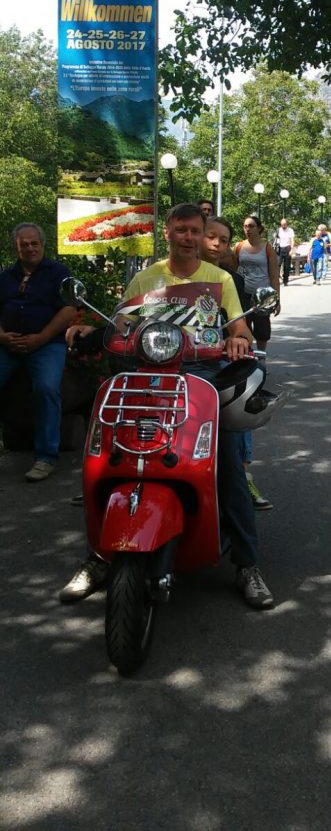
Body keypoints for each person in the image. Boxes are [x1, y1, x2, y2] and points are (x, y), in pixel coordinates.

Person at [60, 204, 274, 609]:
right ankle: (98, 557)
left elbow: (239, 326)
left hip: (201, 375)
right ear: (168, 233)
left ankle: (248, 565)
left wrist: (238, 339)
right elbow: (122, 322)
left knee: (226, 463)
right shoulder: (147, 278)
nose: (189, 237)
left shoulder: (219, 279)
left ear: (201, 234)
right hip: (146, 376)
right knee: (105, 457)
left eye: (195, 231)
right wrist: (96, 329)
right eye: (181, 230)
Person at [202, 215, 273, 510]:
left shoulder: (231, 280)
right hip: (172, 359)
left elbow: (240, 326)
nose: (216, 244)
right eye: (210, 236)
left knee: (238, 397)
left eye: (223, 240)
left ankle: (243, 475)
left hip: (215, 358)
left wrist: (237, 341)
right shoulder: (163, 275)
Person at [0, 223, 76, 481]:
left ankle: (46, 457)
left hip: (46, 344)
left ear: (42, 245)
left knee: (46, 387)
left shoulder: (58, 273)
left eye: (34, 243)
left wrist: (40, 338)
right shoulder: (5, 276)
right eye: (24, 244)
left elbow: (69, 309)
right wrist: (3, 337)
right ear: (16, 247)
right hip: (8, 344)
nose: (30, 248)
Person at [235, 216, 281, 352]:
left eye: (251, 226)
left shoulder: (267, 248)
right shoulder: (239, 246)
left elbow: (274, 276)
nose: (247, 229)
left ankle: (261, 356)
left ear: (259, 228)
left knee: (262, 330)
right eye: (245, 226)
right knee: (244, 327)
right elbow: (232, 269)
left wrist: (276, 300)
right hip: (244, 294)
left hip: (262, 296)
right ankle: (247, 356)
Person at [275, 217, 295, 286]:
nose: (283, 226)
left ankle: (285, 280)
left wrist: (292, 250)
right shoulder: (278, 230)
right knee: (277, 264)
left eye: (284, 224)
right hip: (279, 249)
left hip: (287, 248)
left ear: (287, 224)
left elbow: (292, 240)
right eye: (282, 224)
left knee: (287, 266)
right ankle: (276, 279)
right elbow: (275, 239)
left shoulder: (290, 230)